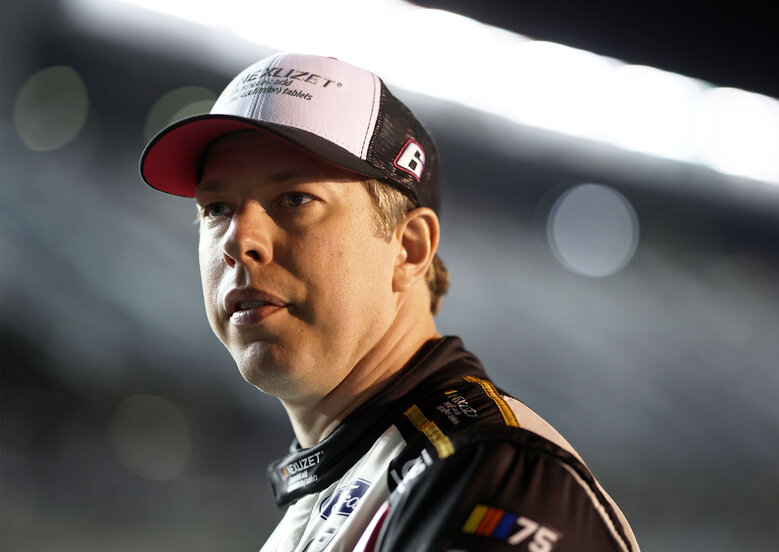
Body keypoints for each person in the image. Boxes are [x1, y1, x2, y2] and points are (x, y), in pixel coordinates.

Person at [140, 53, 639, 552]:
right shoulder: (359, 481)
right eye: (217, 208)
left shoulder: (489, 474)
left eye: (294, 198)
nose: (238, 240)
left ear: (409, 249)